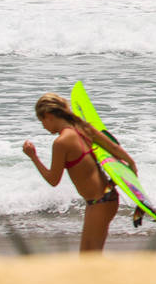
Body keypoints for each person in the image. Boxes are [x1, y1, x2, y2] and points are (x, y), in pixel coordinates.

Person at [22, 93, 138, 252]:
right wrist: (132, 165)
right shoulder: (83, 128)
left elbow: (53, 180)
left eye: (42, 121)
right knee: (89, 256)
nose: (43, 126)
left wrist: (33, 156)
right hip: (104, 198)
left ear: (48, 116)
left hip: (101, 202)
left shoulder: (61, 142)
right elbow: (114, 148)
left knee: (89, 257)